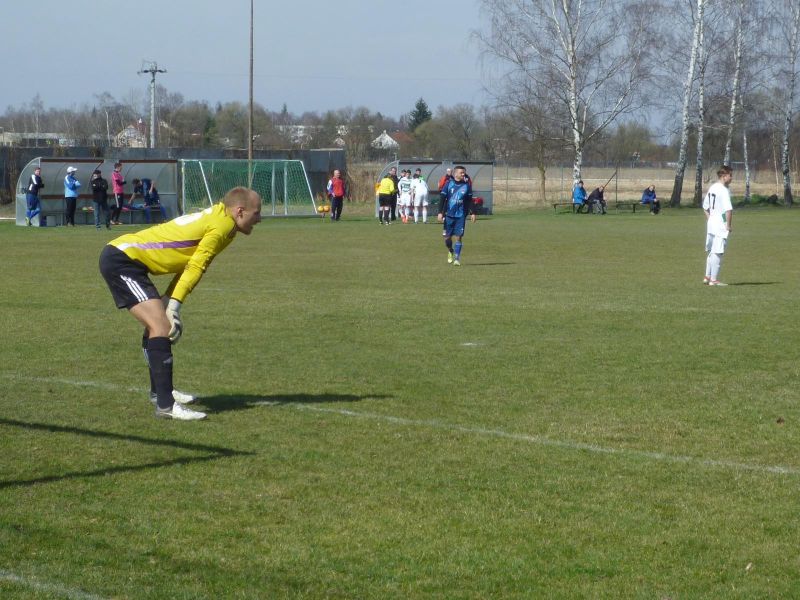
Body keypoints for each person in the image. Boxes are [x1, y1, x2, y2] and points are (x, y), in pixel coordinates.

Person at [99, 187, 263, 420]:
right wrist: (174, 306)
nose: (260, 218)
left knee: (157, 325)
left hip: (129, 260)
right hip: (122, 260)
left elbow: (192, 266)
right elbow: (196, 266)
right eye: (256, 213)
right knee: (160, 326)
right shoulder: (222, 226)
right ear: (240, 211)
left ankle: (161, 393)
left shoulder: (223, 222)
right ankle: (166, 405)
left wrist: (170, 300)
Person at [438, 165, 476, 266]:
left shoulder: (467, 186)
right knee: (447, 238)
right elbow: (442, 198)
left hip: (460, 215)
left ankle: (457, 259)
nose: (463, 174)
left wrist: (472, 213)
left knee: (458, 237)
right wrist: (440, 212)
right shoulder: (448, 184)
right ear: (455, 174)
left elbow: (469, 201)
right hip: (448, 215)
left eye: (464, 173)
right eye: (461, 173)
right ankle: (450, 250)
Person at [702, 166, 733, 286]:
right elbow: (728, 210)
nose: (731, 178)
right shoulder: (723, 190)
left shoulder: (713, 187)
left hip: (711, 224)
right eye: (730, 175)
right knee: (717, 252)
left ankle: (707, 276)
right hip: (720, 225)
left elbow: (705, 207)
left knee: (711, 251)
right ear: (724, 176)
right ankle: (714, 280)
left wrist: (711, 219)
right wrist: (728, 225)